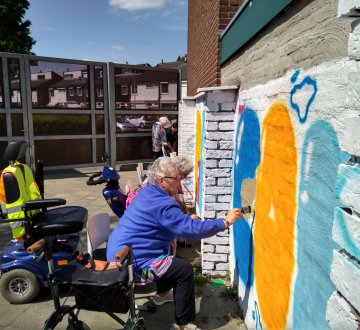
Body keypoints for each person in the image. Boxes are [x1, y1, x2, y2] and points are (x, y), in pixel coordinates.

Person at [106, 157, 243, 330]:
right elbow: (194, 230)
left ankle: (162, 295)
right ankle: (180, 325)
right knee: (183, 270)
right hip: (129, 264)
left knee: (168, 249)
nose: (180, 181)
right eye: (176, 178)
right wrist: (224, 221)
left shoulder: (149, 191)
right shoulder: (163, 204)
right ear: (162, 181)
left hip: (121, 252)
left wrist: (184, 220)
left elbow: (164, 221)